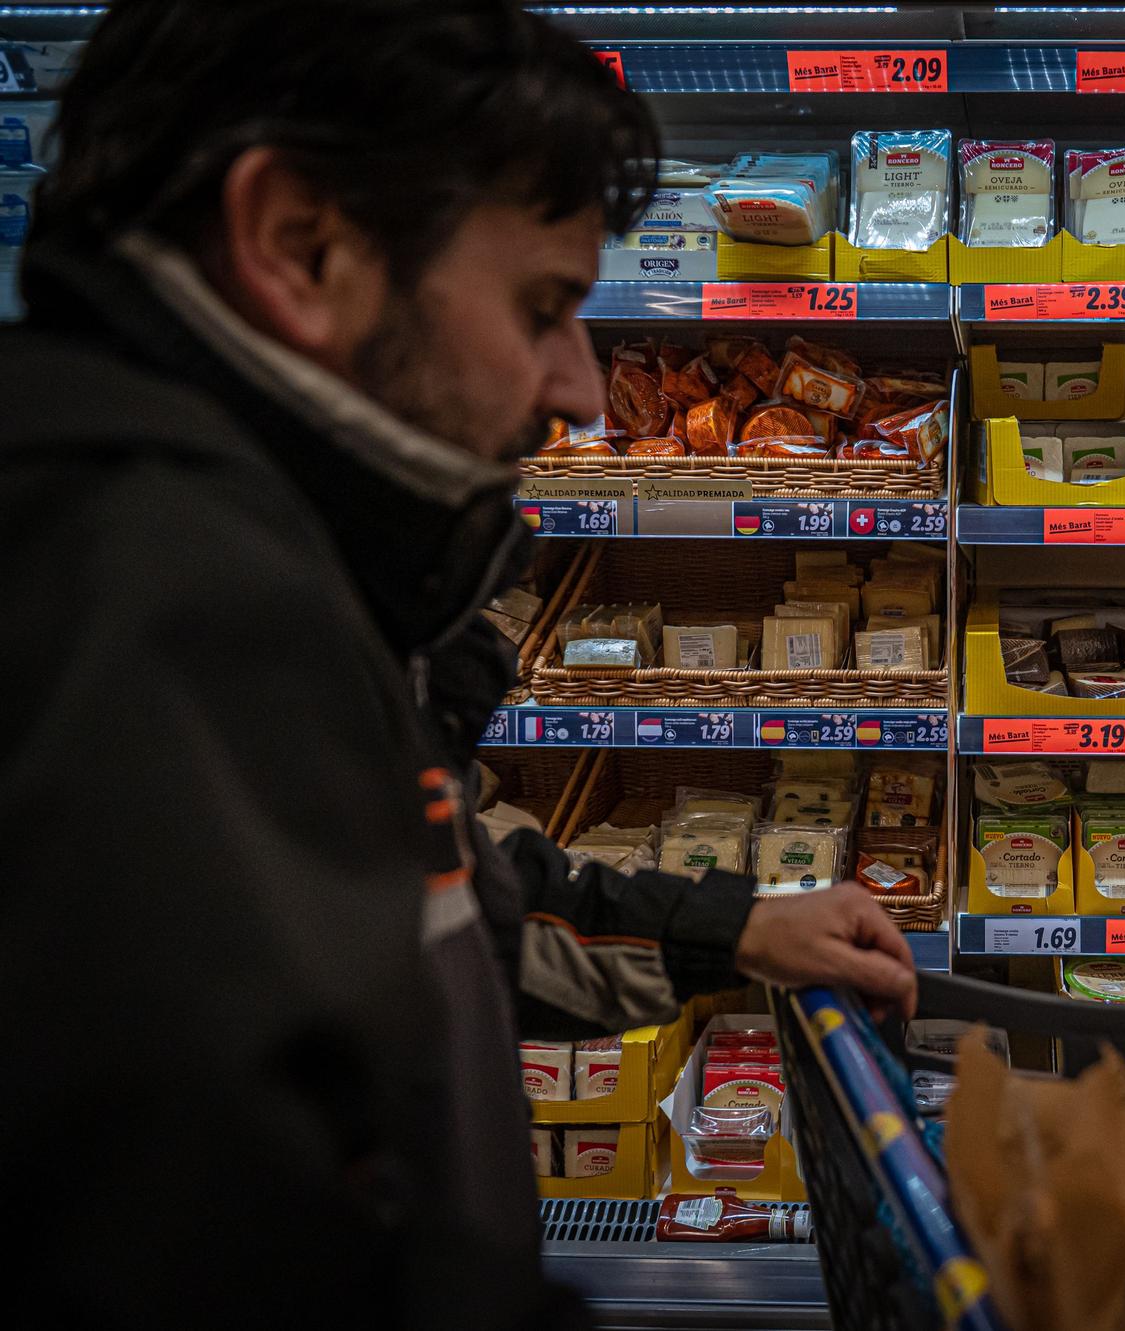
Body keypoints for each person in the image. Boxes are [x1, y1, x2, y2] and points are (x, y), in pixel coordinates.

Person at [0, 1, 918, 1324]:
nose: (584, 390)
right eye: (543, 306)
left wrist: (739, 930)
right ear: (300, 245)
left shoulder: (251, 555)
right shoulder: (149, 608)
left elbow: (436, 911)